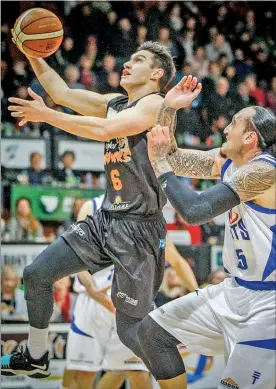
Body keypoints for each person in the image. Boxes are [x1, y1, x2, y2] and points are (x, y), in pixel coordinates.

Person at [3, 39, 201, 388]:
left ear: (156, 74)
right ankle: (35, 356)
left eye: (138, 60)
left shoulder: (155, 105)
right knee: (36, 274)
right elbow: (61, 91)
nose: (127, 63)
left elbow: (107, 131)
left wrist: (46, 116)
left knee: (131, 331)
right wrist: (32, 54)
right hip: (106, 218)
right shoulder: (115, 102)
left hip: (139, 228)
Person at [136, 78, 275, 388]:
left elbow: (195, 210)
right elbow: (172, 159)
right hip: (234, 291)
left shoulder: (265, 171)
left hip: (270, 303)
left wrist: (159, 162)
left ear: (250, 137)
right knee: (152, 333)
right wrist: (169, 109)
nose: (225, 129)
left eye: (235, 124)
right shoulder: (228, 162)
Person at [62, 195, 198, 389]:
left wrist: (197, 293)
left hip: (131, 303)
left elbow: (175, 259)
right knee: (83, 375)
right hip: (94, 302)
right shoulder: (91, 206)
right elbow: (76, 254)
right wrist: (92, 289)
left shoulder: (147, 212)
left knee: (138, 374)